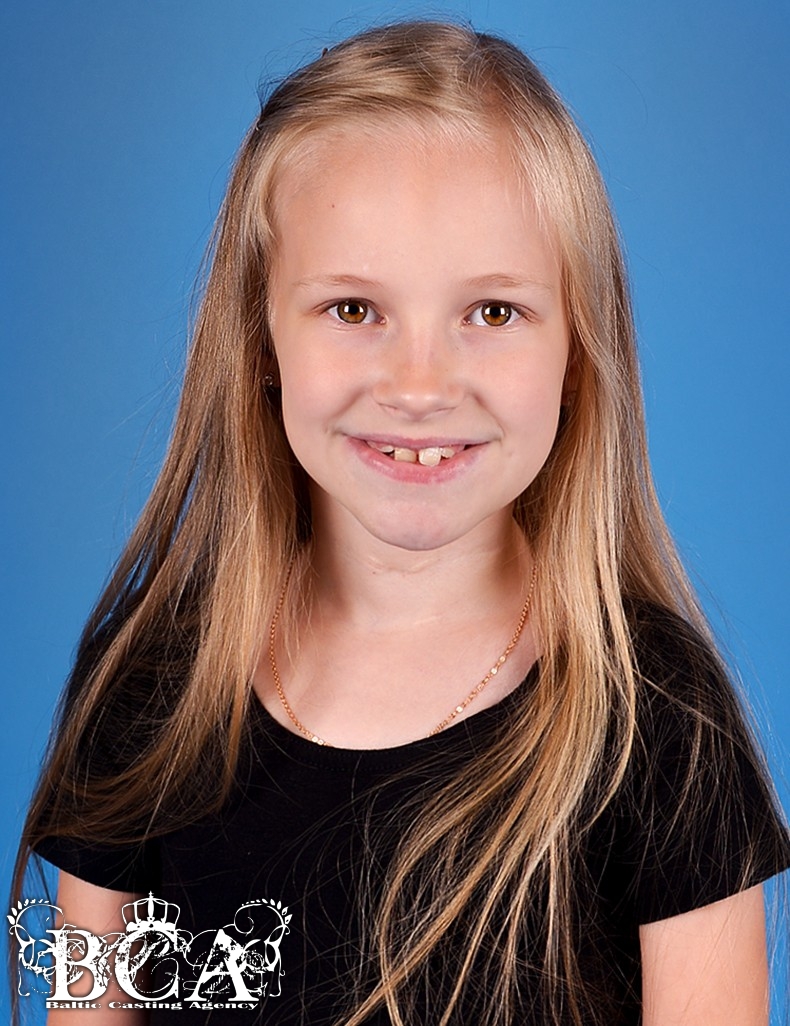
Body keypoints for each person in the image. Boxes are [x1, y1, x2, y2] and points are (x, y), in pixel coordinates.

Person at [13, 19, 790, 1026]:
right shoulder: (152, 682)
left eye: (492, 312)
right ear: (259, 338)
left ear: (578, 348)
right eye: (353, 309)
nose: (419, 387)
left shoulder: (661, 721)